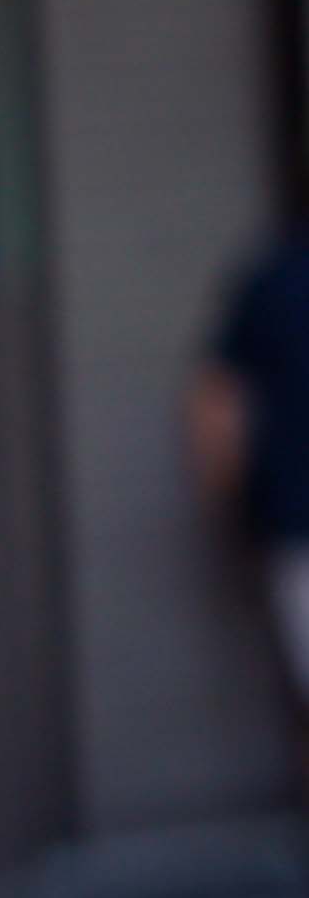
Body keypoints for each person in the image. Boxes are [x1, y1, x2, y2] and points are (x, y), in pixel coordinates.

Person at [188, 222, 309, 734]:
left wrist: (226, 500)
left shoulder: (274, 279)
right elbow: (217, 401)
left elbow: (215, 402)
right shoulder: (275, 281)